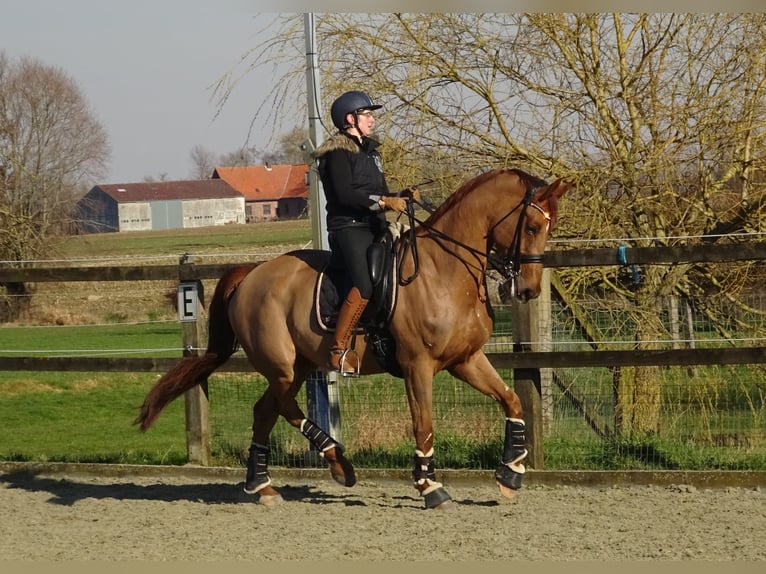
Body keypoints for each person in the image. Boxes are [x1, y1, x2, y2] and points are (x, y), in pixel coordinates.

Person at [313, 90, 409, 375]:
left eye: (371, 115)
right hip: (348, 228)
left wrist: (400, 195)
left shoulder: (371, 152)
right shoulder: (337, 152)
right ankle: (338, 350)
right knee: (365, 284)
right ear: (350, 119)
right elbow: (345, 194)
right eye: (367, 115)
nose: (373, 120)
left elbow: (377, 192)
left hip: (374, 224)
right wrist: (382, 201)